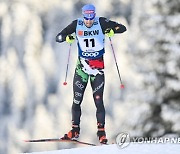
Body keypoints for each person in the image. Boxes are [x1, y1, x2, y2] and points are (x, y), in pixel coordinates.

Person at [56, 4, 126, 144]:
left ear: (94, 15)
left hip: (97, 71)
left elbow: (122, 28)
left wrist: (112, 30)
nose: (88, 22)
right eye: (86, 18)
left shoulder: (101, 22)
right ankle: (75, 130)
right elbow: (58, 37)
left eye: (91, 18)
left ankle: (101, 132)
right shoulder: (77, 24)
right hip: (81, 69)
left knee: (98, 102)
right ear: (83, 16)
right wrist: (67, 37)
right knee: (77, 100)